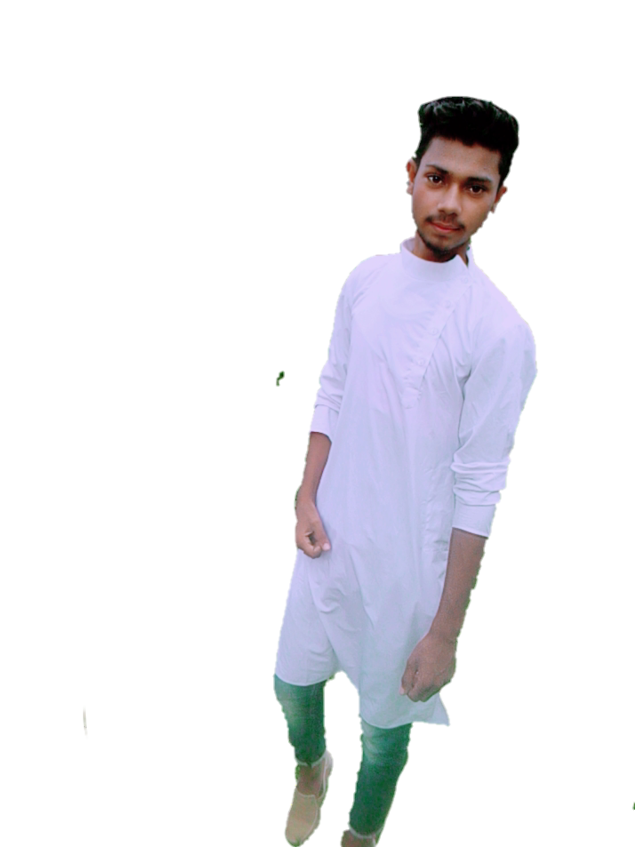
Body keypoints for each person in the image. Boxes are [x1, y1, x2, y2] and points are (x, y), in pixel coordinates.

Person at [274, 95, 537, 847]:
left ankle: (361, 834)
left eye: (475, 187)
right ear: (411, 175)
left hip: (410, 578)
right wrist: (306, 497)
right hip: (327, 543)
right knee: (291, 688)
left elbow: (481, 488)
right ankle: (310, 768)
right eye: (438, 177)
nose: (451, 202)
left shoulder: (501, 331)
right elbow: (332, 387)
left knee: (385, 732)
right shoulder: (365, 277)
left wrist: (445, 634)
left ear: (498, 199)